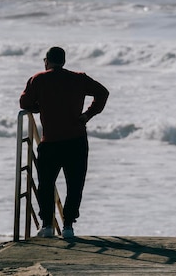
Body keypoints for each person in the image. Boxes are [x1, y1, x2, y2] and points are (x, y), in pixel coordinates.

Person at [20, 46, 109, 239]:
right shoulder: (78, 78)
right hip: (76, 141)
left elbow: (24, 103)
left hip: (50, 141)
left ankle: (47, 226)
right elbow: (103, 93)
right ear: (64, 61)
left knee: (46, 184)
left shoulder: (39, 79)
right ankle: (68, 226)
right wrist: (87, 115)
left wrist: (39, 107)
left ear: (47, 61)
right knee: (75, 184)